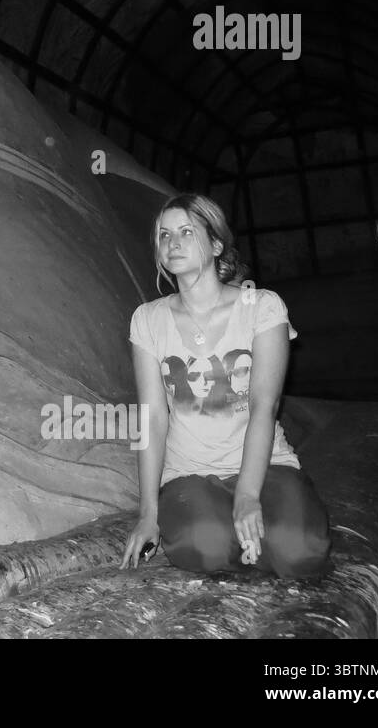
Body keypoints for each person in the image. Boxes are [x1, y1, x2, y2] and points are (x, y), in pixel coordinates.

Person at [119, 193, 331, 577]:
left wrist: (248, 496)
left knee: (300, 551)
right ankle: (231, 536)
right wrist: (148, 513)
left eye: (186, 231)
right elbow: (151, 420)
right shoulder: (147, 320)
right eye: (164, 236)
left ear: (216, 244)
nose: (173, 242)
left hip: (266, 464)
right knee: (203, 547)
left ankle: (262, 529)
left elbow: (263, 408)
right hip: (189, 472)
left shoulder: (262, 308)